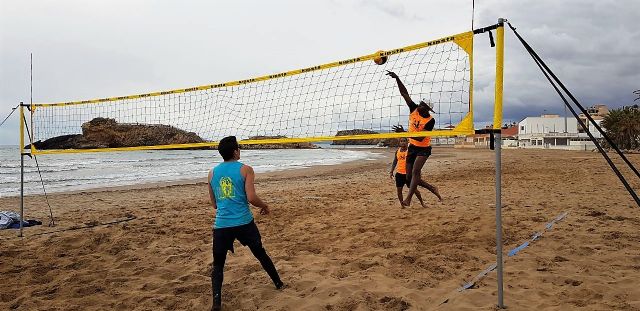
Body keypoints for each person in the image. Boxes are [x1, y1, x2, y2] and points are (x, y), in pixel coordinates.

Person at [207, 136, 284, 311]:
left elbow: (214, 204)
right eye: (239, 148)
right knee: (260, 253)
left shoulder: (212, 173)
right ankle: (278, 284)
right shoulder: (246, 170)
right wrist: (264, 205)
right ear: (235, 151)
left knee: (218, 264)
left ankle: (216, 303)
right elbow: (251, 198)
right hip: (244, 223)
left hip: (222, 225)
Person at [386, 70, 443, 206]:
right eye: (421, 103)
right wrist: (397, 78)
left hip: (423, 148)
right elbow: (404, 94)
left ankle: (409, 199)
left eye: (423, 105)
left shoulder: (430, 120)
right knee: (409, 177)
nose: (420, 106)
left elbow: (420, 138)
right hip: (412, 147)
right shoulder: (414, 109)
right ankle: (431, 188)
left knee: (416, 172)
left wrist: (404, 133)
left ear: (428, 109)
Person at [389, 137, 428, 208]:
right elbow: (395, 161)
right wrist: (391, 171)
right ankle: (402, 205)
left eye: (404, 141)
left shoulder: (411, 151)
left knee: (415, 190)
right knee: (399, 191)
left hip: (409, 174)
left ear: (407, 142)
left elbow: (416, 163)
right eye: (401, 141)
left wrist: (417, 172)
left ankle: (422, 203)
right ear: (399, 143)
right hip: (399, 174)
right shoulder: (397, 151)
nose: (403, 142)